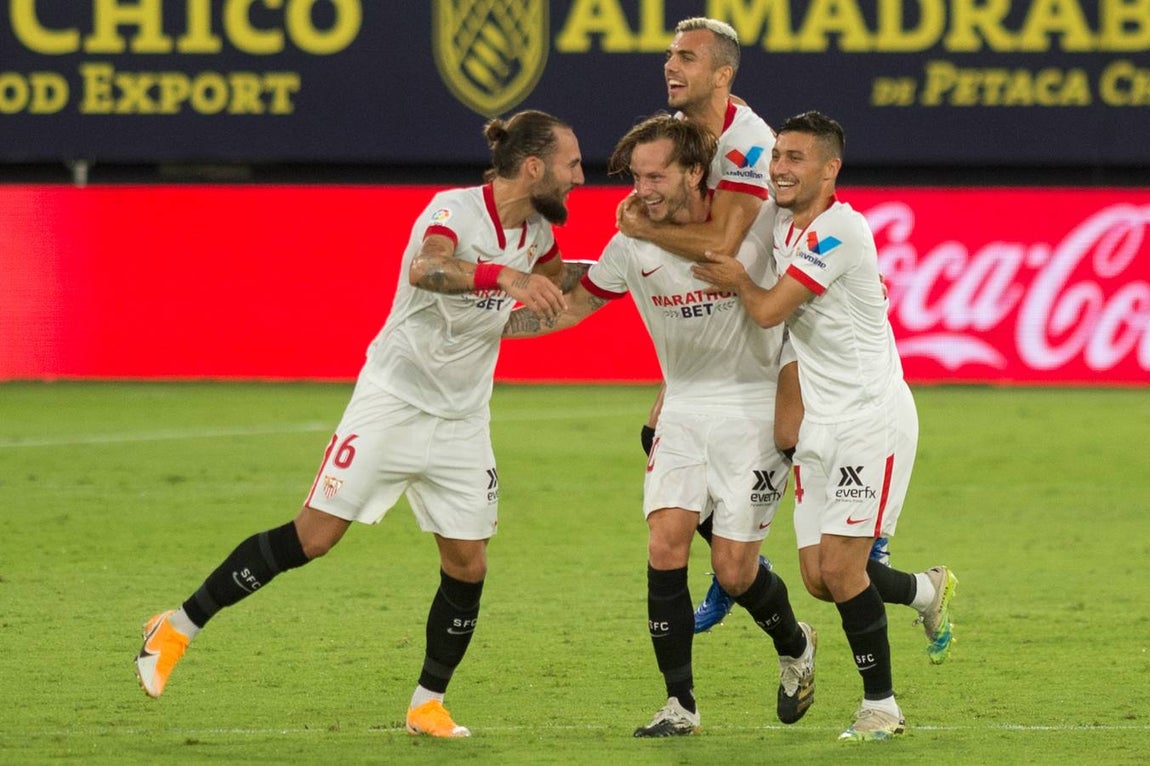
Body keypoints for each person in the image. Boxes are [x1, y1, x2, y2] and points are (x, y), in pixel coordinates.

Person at [133, 109, 586, 739]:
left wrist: (593, 288)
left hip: (462, 419)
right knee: (313, 537)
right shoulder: (453, 211)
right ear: (533, 167)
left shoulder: (539, 235)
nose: (579, 178)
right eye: (571, 165)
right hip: (392, 401)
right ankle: (176, 626)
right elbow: (425, 270)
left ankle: (427, 702)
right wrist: (504, 278)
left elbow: (550, 291)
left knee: (468, 564)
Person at [504, 113, 816, 737]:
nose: (641, 190)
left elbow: (819, 275)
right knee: (665, 543)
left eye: (656, 175)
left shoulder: (757, 232)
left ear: (696, 173)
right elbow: (572, 308)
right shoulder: (630, 245)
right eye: (637, 176)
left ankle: (795, 644)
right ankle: (680, 704)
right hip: (684, 407)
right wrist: (489, 329)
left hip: (754, 412)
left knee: (734, 571)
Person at [693, 111, 957, 741]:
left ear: (830, 169)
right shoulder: (783, 224)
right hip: (821, 422)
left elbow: (765, 312)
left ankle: (882, 708)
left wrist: (738, 279)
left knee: (842, 570)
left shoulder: (840, 231)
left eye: (795, 158)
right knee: (818, 579)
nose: (780, 167)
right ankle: (926, 591)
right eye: (776, 155)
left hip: (871, 420)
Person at [615, 16, 792, 633]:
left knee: (805, 450)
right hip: (718, 321)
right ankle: (736, 569)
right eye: (669, 55)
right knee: (654, 434)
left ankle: (873, 552)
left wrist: (643, 229)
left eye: (687, 57)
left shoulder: (747, 140)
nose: (670, 66)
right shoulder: (680, 136)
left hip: (772, 323)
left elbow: (722, 240)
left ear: (722, 74)